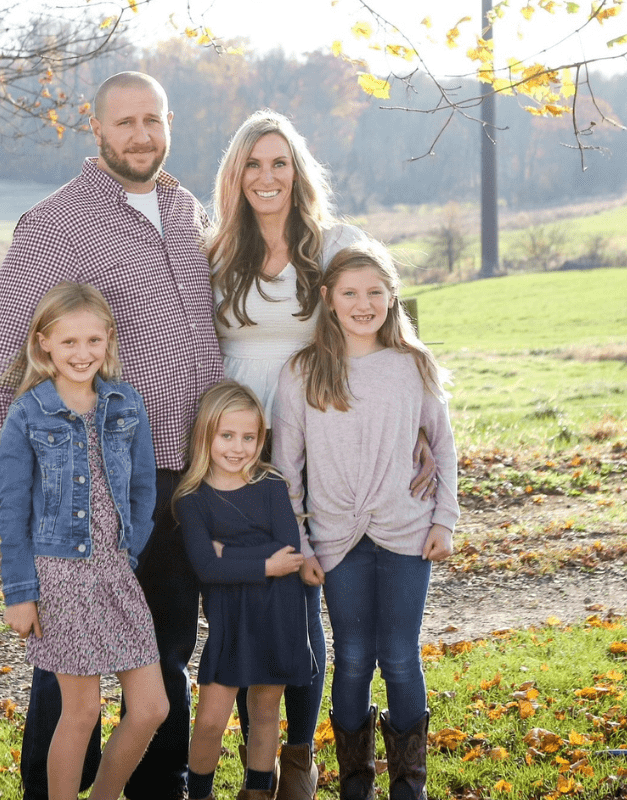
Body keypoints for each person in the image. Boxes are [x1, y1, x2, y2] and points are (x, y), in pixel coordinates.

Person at [0, 71, 224, 800]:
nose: (141, 134)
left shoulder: (184, 208)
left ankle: (156, 790)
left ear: (169, 121)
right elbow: (2, 357)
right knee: (70, 672)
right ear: (97, 129)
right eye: (125, 122)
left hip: (182, 481)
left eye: (153, 119)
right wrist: (32, 471)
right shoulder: (55, 223)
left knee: (167, 654)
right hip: (93, 493)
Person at [206, 109, 435, 800]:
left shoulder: (335, 242)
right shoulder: (215, 252)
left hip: (322, 434)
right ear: (236, 175)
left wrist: (417, 422)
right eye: (253, 163)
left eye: (280, 162)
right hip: (242, 442)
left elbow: (390, 315)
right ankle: (260, 763)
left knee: (305, 594)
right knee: (248, 598)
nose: (267, 176)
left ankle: (301, 758)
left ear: (298, 172)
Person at [273, 240, 459, 800]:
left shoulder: (413, 365)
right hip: (335, 540)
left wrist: (444, 521)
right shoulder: (303, 371)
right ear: (327, 299)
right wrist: (301, 544)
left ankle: (409, 783)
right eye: (350, 293)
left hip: (407, 531)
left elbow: (444, 447)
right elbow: (287, 469)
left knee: (400, 656)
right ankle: (356, 780)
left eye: (375, 292)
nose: (363, 304)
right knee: (352, 657)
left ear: (392, 297)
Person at [0, 281, 168, 800]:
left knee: (152, 707)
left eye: (93, 341)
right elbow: (12, 509)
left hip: (115, 572)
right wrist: (20, 592)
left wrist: (130, 549)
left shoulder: (124, 403)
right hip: (59, 576)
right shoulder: (28, 413)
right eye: (68, 342)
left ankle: (104, 795)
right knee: (82, 711)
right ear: (43, 342)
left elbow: (142, 487)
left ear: (109, 340)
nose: (82, 353)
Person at [173, 381, 315, 800]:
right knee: (211, 720)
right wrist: (261, 563)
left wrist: (228, 552)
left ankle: (257, 792)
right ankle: (199, 793)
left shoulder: (271, 485)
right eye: (227, 436)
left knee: (265, 710)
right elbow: (206, 568)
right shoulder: (192, 499)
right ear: (206, 436)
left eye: (249, 437)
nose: (238, 447)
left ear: (261, 439)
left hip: (279, 614)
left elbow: (289, 555)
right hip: (231, 621)